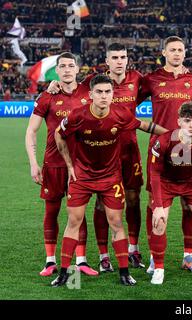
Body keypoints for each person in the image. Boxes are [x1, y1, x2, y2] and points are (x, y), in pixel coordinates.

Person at [51, 74, 166, 287]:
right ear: (91, 94)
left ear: (113, 94)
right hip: (82, 176)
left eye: (108, 92)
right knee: (73, 222)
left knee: (116, 222)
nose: (104, 96)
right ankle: (64, 273)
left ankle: (123, 272)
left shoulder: (121, 114)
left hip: (110, 177)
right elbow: (59, 134)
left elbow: (145, 126)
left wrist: (171, 135)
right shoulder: (78, 115)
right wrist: (69, 165)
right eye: (100, 92)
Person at [47, 43, 146, 271]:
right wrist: (53, 85)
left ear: (127, 58)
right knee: (102, 203)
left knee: (133, 198)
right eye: (115, 57)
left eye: (123, 57)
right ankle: (104, 255)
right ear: (107, 60)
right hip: (98, 152)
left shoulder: (138, 79)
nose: (119, 61)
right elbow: (69, 86)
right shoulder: (93, 82)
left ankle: (133, 249)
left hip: (128, 149)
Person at [25, 52, 97, 277]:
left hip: (81, 164)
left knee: (78, 213)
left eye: (71, 65)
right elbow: (31, 131)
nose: (67, 69)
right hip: (53, 163)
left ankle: (81, 260)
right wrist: (33, 163)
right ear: (57, 71)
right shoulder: (47, 97)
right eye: (62, 66)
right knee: (52, 210)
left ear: (78, 69)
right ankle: (50, 261)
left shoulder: (88, 92)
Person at [140, 36, 192, 274]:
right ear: (164, 52)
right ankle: (156, 257)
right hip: (158, 149)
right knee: (154, 203)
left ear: (185, 54)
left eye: (180, 50)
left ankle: (188, 255)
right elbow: (126, 104)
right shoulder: (152, 79)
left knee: (189, 204)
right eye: (172, 50)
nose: (177, 54)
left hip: (188, 149)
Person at [149, 101, 192, 285]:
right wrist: (158, 206)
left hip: (191, 183)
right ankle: (159, 269)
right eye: (187, 121)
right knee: (159, 222)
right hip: (166, 183)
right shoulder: (163, 140)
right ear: (179, 122)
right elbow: (154, 173)